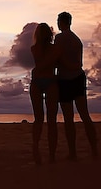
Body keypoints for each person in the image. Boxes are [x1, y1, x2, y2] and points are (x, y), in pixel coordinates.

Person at [54, 11, 98, 160]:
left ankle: (72, 152)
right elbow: (78, 63)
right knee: (85, 115)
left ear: (61, 22)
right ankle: (94, 150)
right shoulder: (77, 40)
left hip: (66, 79)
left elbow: (57, 58)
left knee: (69, 118)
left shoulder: (59, 38)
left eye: (58, 21)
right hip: (78, 77)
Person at [29, 23, 61, 164]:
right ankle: (50, 155)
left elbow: (41, 64)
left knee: (39, 118)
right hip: (49, 81)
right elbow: (51, 63)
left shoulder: (35, 48)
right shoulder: (54, 49)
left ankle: (37, 149)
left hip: (38, 81)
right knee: (50, 120)